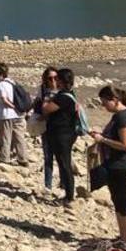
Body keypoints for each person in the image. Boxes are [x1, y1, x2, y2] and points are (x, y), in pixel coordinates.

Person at [91, 86, 126, 251]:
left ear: (114, 100)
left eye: (105, 102)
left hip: (122, 164)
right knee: (118, 200)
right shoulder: (121, 115)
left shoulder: (123, 117)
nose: (103, 106)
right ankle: (123, 237)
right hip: (118, 163)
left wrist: (102, 140)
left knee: (123, 201)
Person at [41, 68, 79, 206]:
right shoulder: (69, 94)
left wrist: (46, 98)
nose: (54, 81)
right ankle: (67, 193)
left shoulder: (63, 96)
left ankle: (69, 196)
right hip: (65, 134)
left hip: (62, 135)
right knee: (64, 163)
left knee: (64, 164)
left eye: (56, 78)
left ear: (61, 80)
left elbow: (46, 109)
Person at [0, 63, 30, 166]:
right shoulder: (13, 82)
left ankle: (4, 158)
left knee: (5, 137)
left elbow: (4, 100)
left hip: (6, 115)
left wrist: (13, 106)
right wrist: (18, 109)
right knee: (19, 137)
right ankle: (23, 159)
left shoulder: (1, 84)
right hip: (18, 115)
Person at [34, 67, 60, 191]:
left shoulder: (63, 89)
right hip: (46, 127)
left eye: (55, 77)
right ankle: (48, 185)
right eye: (50, 78)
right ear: (46, 79)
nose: (53, 80)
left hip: (61, 128)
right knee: (48, 157)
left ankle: (64, 183)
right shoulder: (43, 90)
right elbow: (38, 106)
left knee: (62, 157)